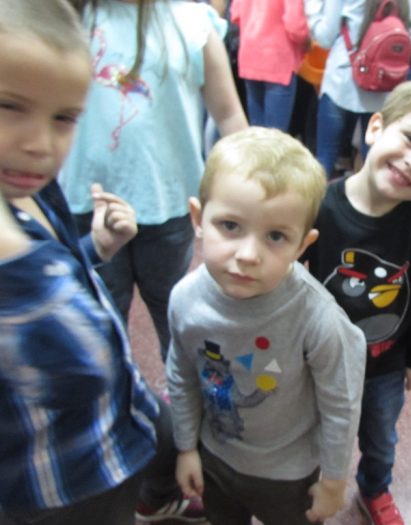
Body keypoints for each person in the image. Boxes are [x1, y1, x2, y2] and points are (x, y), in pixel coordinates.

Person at [0, 1, 204, 523]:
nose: (39, 144)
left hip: (114, 433)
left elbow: (65, 276)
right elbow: (80, 363)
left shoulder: (30, 190)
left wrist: (95, 248)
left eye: (64, 118)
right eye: (8, 107)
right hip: (61, 486)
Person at [166, 127, 367, 525]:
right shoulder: (185, 299)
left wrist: (333, 481)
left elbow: (341, 404)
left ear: (302, 246)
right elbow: (182, 375)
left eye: (275, 236)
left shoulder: (317, 318)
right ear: (198, 219)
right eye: (230, 225)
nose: (248, 255)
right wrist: (186, 447)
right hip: (215, 457)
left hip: (288, 474)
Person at [302, 79, 411, 525]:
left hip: (384, 365)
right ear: (376, 127)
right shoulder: (321, 204)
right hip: (321, 361)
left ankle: (374, 488)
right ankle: (311, 488)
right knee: (315, 432)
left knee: (381, 438)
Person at [60, 0, 248, 362]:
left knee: (174, 314)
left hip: (168, 204)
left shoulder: (193, 23)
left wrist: (252, 189)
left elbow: (228, 114)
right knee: (99, 316)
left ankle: (180, 391)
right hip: (88, 203)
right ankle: (114, 391)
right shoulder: (71, 15)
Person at [304, 0, 411, 178]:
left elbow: (326, 38)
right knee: (373, 163)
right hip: (383, 87)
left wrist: (312, 10)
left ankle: (319, 197)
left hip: (342, 81)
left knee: (325, 159)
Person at [231, 0, 309, 131]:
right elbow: (295, 26)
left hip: (250, 56)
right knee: (275, 136)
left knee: (257, 133)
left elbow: (235, 14)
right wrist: (306, 41)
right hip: (278, 62)